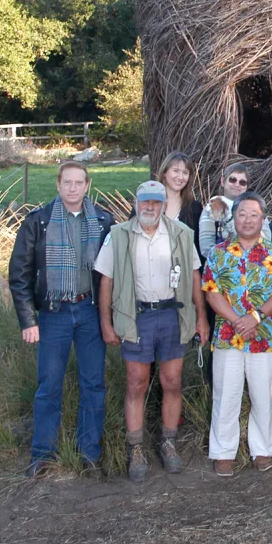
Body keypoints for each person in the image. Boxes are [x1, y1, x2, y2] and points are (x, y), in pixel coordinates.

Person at [9, 161, 116, 478]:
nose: (72, 188)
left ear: (87, 185)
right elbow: (20, 275)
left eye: (78, 182)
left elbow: (112, 273)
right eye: (67, 182)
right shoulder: (38, 222)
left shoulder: (102, 221)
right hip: (53, 313)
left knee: (93, 383)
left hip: (89, 311)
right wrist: (28, 320)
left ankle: (89, 454)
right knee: (49, 385)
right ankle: (42, 454)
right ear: (58, 185)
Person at [95, 180, 207, 480]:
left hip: (172, 314)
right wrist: (106, 323)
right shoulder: (118, 236)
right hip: (137, 316)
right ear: (136, 203)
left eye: (156, 203)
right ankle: (136, 448)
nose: (150, 207)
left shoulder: (181, 234)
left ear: (163, 205)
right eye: (145, 202)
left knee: (172, 381)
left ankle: (169, 443)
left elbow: (195, 276)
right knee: (136, 383)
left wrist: (201, 316)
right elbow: (106, 281)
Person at [202, 193, 272, 477]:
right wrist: (237, 320)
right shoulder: (218, 253)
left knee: (263, 395)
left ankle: (263, 449)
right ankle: (223, 452)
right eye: (242, 214)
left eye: (254, 215)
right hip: (229, 336)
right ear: (234, 218)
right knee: (226, 394)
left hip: (264, 335)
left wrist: (255, 317)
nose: (248, 219)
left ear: (263, 219)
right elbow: (212, 293)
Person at [199, 162, 271, 257]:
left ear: (246, 187)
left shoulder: (257, 208)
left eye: (242, 182)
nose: (237, 185)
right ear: (222, 181)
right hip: (221, 266)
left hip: (254, 264)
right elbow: (206, 247)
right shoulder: (212, 207)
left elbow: (267, 240)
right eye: (232, 180)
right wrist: (231, 261)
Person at [154, 151, 204, 250]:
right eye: (176, 170)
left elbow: (198, 247)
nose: (180, 177)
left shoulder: (195, 208)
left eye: (185, 173)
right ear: (165, 172)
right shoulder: (147, 204)